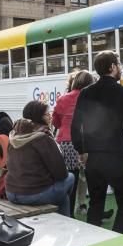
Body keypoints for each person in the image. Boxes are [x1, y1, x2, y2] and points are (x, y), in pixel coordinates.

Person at [72, 51, 123, 233]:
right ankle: (117, 238)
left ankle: (93, 243)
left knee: (96, 203)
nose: (121, 68)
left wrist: (81, 151)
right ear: (112, 67)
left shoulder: (85, 93)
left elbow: (75, 126)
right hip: (116, 157)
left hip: (93, 158)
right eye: (119, 65)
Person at [6, 100, 76, 216]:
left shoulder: (14, 135)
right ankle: (66, 227)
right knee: (70, 177)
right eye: (47, 114)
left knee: (62, 197)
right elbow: (61, 173)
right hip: (33, 194)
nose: (50, 116)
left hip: (11, 192)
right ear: (38, 117)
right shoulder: (43, 138)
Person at [53, 70, 94, 217]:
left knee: (72, 179)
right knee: (90, 177)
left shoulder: (63, 99)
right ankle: (90, 210)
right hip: (87, 141)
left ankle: (69, 213)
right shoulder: (90, 99)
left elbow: (55, 122)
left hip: (66, 142)